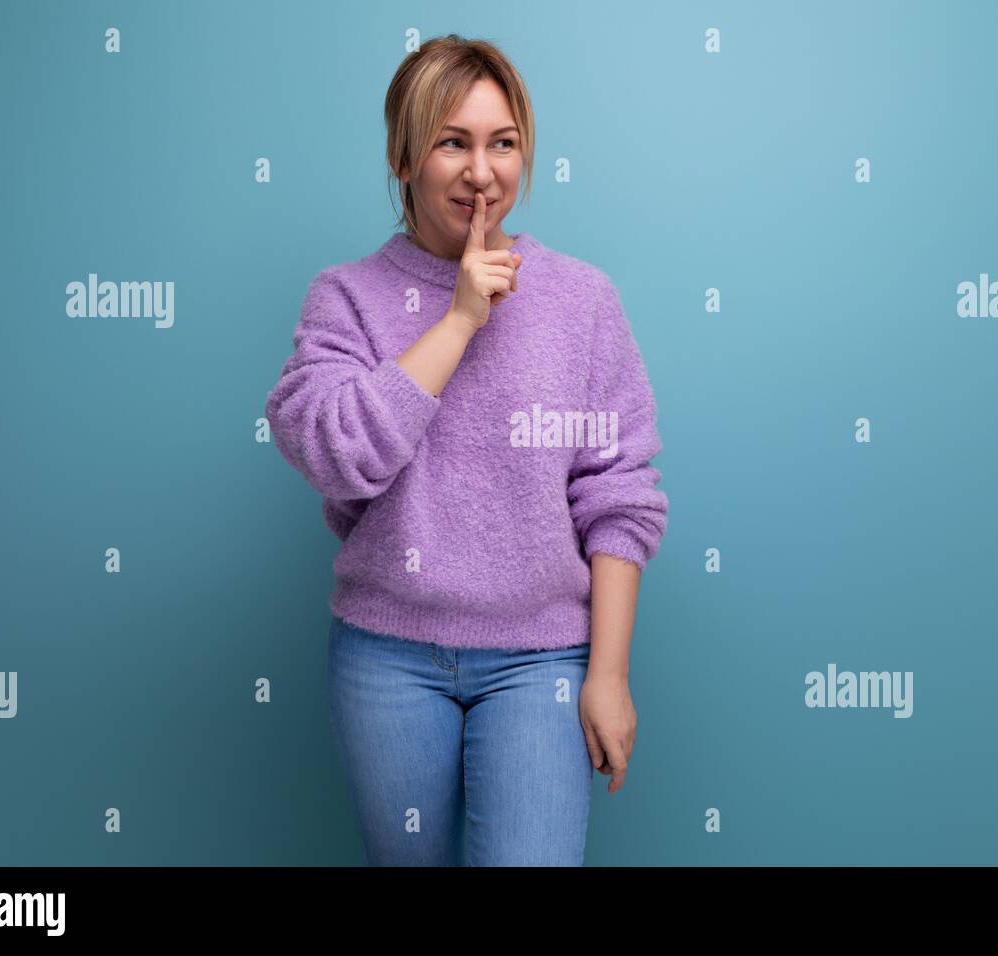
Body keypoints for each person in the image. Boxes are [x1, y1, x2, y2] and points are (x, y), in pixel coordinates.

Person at [264, 35, 669, 866]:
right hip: (387, 659)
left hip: (542, 661)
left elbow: (619, 493)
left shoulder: (583, 301)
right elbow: (336, 454)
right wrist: (457, 322)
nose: (482, 172)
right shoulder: (345, 298)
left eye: (503, 143)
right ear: (403, 156)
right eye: (453, 142)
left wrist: (609, 673)